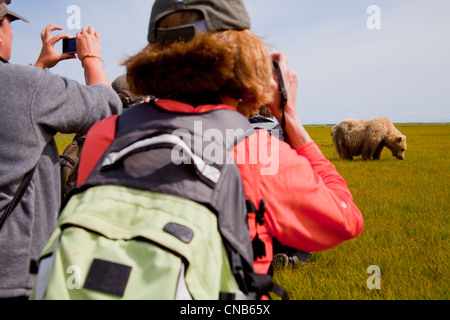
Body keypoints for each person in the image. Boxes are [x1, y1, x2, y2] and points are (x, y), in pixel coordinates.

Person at [78, 0, 364, 280]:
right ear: (244, 57)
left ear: (153, 54)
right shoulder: (257, 152)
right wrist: (290, 116)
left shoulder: (105, 134)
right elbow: (346, 219)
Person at [0, 1, 122, 299]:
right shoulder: (26, 86)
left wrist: (38, 69)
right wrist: (91, 59)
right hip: (13, 274)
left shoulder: (24, 85)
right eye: (8, 24)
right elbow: (107, 110)